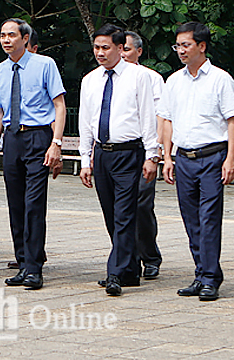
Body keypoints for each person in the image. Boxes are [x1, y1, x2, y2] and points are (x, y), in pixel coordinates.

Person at [158, 22, 234, 302]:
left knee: (208, 219)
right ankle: (201, 272)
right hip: (183, 158)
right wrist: (167, 157)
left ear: (201, 46)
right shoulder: (174, 81)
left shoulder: (220, 79)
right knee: (190, 218)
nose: (180, 50)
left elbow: (232, 120)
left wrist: (230, 158)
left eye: (186, 45)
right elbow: (167, 120)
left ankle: (209, 278)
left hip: (212, 157)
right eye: (177, 45)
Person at [0, 18, 66, 291]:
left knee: (34, 205)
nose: (6, 40)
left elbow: (59, 105)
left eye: (11, 35)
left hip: (38, 136)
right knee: (15, 204)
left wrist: (56, 142)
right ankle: (22, 262)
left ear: (25, 38)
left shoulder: (45, 65)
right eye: (2, 35)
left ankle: (34, 267)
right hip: (12, 139)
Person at [78, 24, 158, 296]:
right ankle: (129, 268)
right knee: (111, 214)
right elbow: (86, 122)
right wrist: (86, 159)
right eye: (96, 48)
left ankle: (115, 272)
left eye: (105, 48)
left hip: (129, 152)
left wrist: (152, 154)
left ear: (120, 48)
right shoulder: (90, 79)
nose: (100, 53)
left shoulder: (138, 76)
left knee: (125, 213)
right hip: (102, 153)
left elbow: (148, 116)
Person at [121, 30, 164, 279]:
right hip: (118, 151)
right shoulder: (108, 78)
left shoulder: (151, 78)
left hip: (143, 149)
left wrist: (155, 152)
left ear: (138, 51)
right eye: (121, 48)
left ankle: (149, 256)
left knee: (142, 204)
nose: (123, 53)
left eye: (127, 49)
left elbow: (160, 116)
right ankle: (127, 258)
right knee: (120, 207)